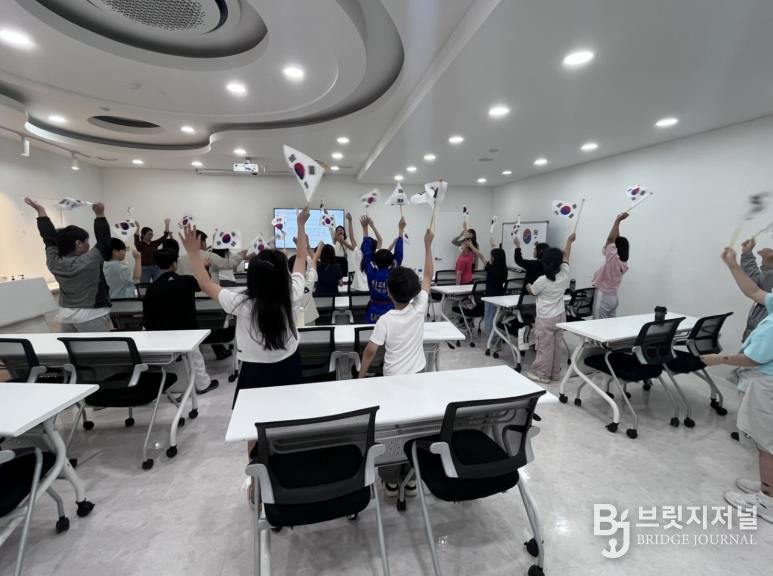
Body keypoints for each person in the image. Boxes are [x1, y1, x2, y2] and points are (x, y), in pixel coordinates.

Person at [180, 207, 309, 407]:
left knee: (252, 417)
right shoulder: (293, 293)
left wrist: (193, 254)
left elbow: (205, 284)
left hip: (254, 370)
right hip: (289, 363)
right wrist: (301, 225)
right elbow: (301, 258)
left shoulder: (241, 302)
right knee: (288, 411)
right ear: (284, 275)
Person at [359, 227, 434, 497]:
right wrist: (427, 245)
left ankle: (391, 479)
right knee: (414, 424)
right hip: (418, 375)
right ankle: (411, 478)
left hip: (392, 380)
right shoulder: (419, 308)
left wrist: (361, 376)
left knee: (392, 427)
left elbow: (370, 351)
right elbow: (428, 276)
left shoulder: (386, 320)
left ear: (389, 294)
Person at [702, 247, 773, 523]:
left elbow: (754, 358)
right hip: (763, 383)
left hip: (766, 386)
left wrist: (719, 360)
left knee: (766, 442)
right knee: (765, 440)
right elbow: (753, 292)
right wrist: (732, 264)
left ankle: (767, 500)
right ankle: (767, 485)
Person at [25, 197, 113, 332]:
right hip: (93, 315)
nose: (89, 244)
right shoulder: (90, 260)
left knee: (72, 346)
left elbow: (49, 239)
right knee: (100, 347)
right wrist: (100, 214)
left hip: (66, 315)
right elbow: (104, 241)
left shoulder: (54, 262)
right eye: (86, 241)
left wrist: (40, 211)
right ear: (78, 243)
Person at [142, 249, 218, 394]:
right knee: (195, 357)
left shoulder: (152, 288)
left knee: (175, 360)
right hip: (188, 330)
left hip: (163, 334)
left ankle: (177, 386)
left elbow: (148, 315)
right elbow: (205, 283)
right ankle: (202, 384)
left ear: (157, 265)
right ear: (174, 264)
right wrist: (205, 268)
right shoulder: (187, 281)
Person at [526, 233, 576, 383]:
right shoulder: (565, 275)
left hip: (545, 318)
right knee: (556, 346)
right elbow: (566, 256)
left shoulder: (542, 280)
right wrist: (569, 241)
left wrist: (528, 286)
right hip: (560, 316)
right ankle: (555, 373)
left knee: (544, 347)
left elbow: (533, 291)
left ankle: (542, 374)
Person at [361, 215, 405, 323]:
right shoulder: (393, 272)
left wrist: (365, 228)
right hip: (390, 309)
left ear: (375, 261)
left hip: (373, 311)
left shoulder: (371, 271)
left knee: (371, 330)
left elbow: (367, 252)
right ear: (391, 262)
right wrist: (401, 230)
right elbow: (399, 253)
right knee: (390, 330)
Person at [591, 213, 630, 319]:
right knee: (609, 325)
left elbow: (611, 240)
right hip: (613, 298)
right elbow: (615, 241)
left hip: (603, 296)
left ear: (616, 248)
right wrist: (619, 224)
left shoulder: (612, 260)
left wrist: (617, 221)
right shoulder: (623, 263)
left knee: (597, 325)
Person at [469, 242, 508, 339]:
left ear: (494, 258)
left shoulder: (491, 269)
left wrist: (471, 246)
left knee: (489, 319)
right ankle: (496, 337)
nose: (490, 258)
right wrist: (493, 245)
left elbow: (480, 255)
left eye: (491, 256)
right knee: (495, 318)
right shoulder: (504, 269)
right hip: (500, 298)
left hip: (490, 298)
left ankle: (492, 340)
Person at [740, 237, 773, 340]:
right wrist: (747, 254)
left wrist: (768, 266)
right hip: (756, 336)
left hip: (762, 339)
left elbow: (756, 288)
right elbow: (755, 285)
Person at [134, 218, 171, 282]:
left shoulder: (154, 243)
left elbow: (165, 236)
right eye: (149, 234)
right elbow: (136, 237)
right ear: (143, 234)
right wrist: (138, 227)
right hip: (144, 268)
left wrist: (167, 224)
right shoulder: (139, 244)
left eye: (152, 234)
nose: (151, 236)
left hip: (156, 267)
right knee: (145, 285)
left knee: (158, 284)